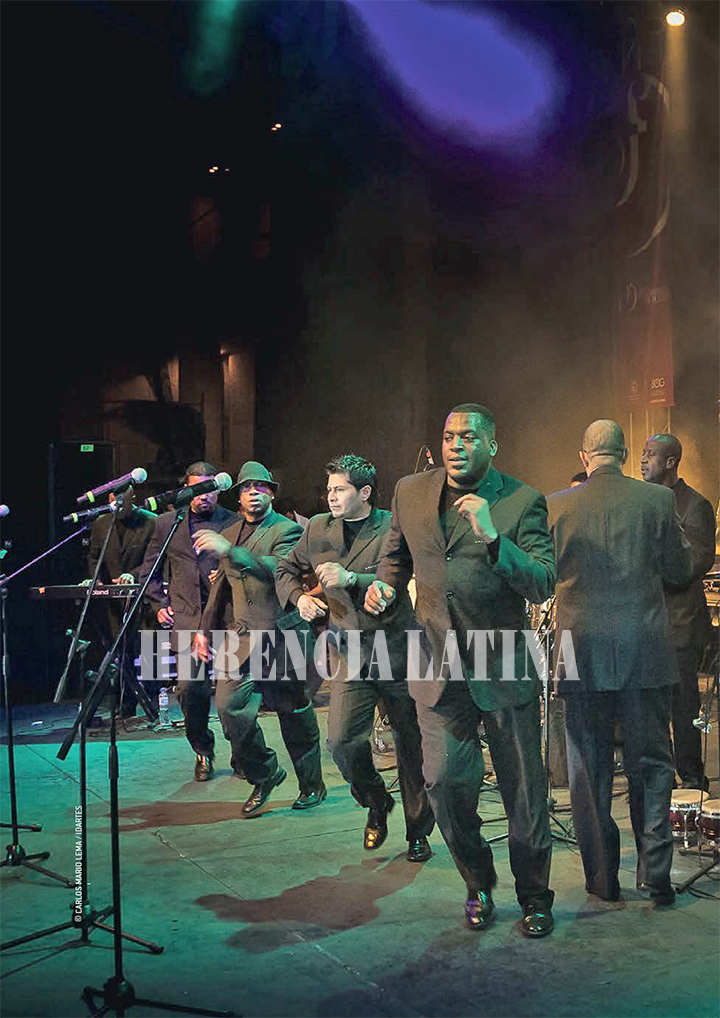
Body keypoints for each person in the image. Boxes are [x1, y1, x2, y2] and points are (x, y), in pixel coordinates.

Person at [365, 404, 556, 936]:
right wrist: (383, 583)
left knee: (523, 791)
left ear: (492, 445)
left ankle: (535, 894)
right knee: (444, 784)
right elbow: (394, 557)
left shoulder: (521, 500)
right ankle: (477, 880)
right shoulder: (409, 491)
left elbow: (541, 581)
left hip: (502, 667)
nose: (455, 444)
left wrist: (495, 538)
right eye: (449, 435)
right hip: (435, 665)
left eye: (468, 437)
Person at [548, 420, 692, 905]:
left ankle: (602, 881)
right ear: (625, 453)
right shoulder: (657, 500)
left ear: (585, 456)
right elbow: (678, 568)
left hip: (579, 653)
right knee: (651, 765)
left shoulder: (555, 505)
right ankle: (656, 877)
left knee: (588, 771)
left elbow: (542, 579)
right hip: (645, 652)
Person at [275, 454, 434, 861]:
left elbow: (402, 575)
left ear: (364, 492)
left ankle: (419, 832)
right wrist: (299, 600)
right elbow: (284, 570)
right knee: (342, 740)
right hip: (350, 653)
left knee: (410, 745)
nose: (331, 496)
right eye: (328, 488)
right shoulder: (316, 528)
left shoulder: (391, 526)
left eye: (340, 488)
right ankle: (376, 801)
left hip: (398, 649)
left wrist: (353, 580)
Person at [193, 461, 325, 814]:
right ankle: (265, 773)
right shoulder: (232, 532)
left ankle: (312, 785)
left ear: (271, 493)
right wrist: (203, 633)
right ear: (238, 496)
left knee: (293, 714)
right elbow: (220, 590)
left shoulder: (288, 531)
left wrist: (229, 552)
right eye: (247, 488)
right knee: (228, 708)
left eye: (261, 487)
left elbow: (276, 569)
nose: (254, 492)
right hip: (241, 637)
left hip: (282, 635)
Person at [139, 461, 237, 780]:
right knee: (190, 689)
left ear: (218, 490)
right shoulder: (167, 523)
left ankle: (243, 753)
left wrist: (226, 575)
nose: (203, 496)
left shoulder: (233, 523)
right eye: (196, 489)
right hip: (187, 620)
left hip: (225, 618)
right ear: (186, 490)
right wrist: (159, 603)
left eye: (209, 489)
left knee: (231, 697)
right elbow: (149, 571)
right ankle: (203, 751)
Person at [641, 433, 716, 791]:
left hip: (681, 623)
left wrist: (648, 567)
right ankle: (661, 777)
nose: (642, 460)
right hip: (647, 622)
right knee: (650, 707)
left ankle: (691, 778)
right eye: (642, 453)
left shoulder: (694, 505)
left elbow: (696, 562)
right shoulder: (644, 503)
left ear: (671, 462)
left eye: (651, 454)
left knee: (682, 707)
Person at [84, 491, 157, 718]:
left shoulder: (150, 521)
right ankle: (125, 706)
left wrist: (133, 575)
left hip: (144, 596)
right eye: (116, 499)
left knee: (149, 649)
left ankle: (153, 704)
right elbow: (94, 556)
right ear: (110, 499)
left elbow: (153, 558)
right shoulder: (101, 523)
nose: (120, 503)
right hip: (113, 600)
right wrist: (96, 578)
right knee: (118, 649)